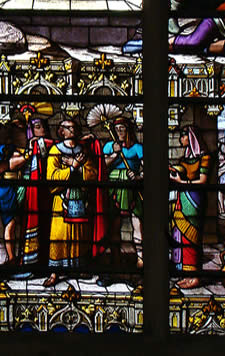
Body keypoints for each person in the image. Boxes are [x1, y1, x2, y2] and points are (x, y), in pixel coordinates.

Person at [43, 118, 108, 285]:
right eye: (67, 127)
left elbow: (92, 174)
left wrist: (77, 165)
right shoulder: (55, 151)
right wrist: (72, 168)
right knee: (58, 236)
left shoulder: (84, 151)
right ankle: (55, 273)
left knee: (80, 235)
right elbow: (51, 178)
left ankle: (78, 268)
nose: (71, 130)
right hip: (61, 201)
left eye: (73, 127)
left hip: (81, 201)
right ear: (60, 132)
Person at [169, 126, 211, 288]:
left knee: (192, 237)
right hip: (181, 198)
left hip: (194, 199)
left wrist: (182, 182)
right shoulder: (184, 159)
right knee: (180, 235)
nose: (181, 139)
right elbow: (180, 171)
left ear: (192, 138)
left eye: (183, 136)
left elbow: (202, 181)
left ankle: (195, 276)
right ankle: (186, 273)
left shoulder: (205, 158)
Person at [103, 117, 144, 270]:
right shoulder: (109, 146)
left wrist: (139, 176)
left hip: (132, 187)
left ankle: (141, 258)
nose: (119, 131)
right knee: (114, 224)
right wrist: (114, 154)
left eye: (122, 128)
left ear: (129, 129)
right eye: (117, 128)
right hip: (113, 188)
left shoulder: (137, 148)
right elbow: (101, 166)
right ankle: (115, 257)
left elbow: (147, 166)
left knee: (138, 223)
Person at [21, 116, 55, 278]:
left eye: (42, 126)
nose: (41, 129)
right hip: (31, 194)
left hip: (47, 193)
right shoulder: (31, 145)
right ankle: (31, 262)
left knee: (46, 225)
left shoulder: (48, 144)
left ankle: (44, 263)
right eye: (36, 127)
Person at [0, 122, 28, 266]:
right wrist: (26, 157)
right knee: (10, 225)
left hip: (17, 188)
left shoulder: (16, 148)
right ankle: (11, 258)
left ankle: (20, 256)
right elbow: (5, 166)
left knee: (17, 224)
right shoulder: (0, 150)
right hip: (6, 190)